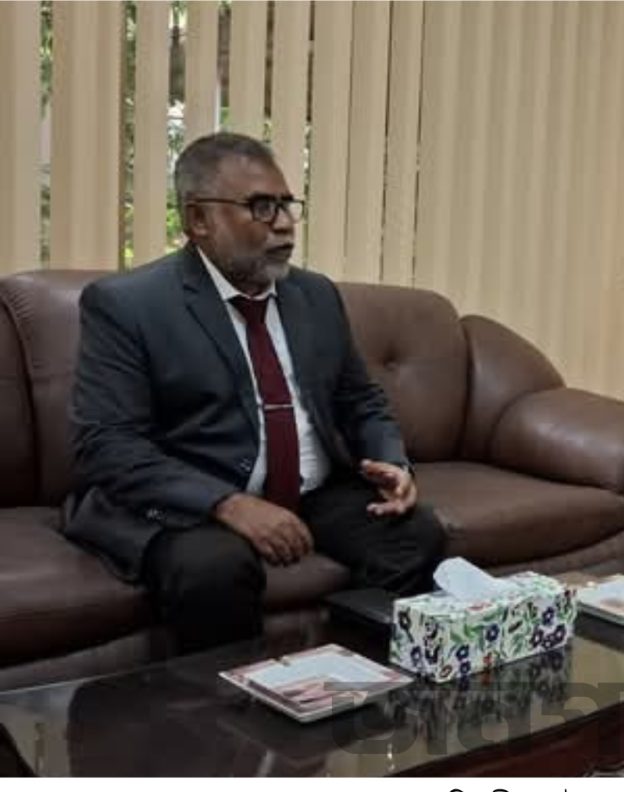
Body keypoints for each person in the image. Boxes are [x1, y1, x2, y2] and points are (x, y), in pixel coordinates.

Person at [64, 132, 447, 652]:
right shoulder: (127, 305)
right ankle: (231, 703)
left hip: (312, 492)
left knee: (415, 536)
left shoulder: (314, 295)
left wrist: (391, 460)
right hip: (192, 501)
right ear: (199, 219)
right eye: (262, 207)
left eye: (287, 205)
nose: (285, 223)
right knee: (213, 570)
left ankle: (349, 677)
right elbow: (107, 444)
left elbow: (360, 398)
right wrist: (227, 503)